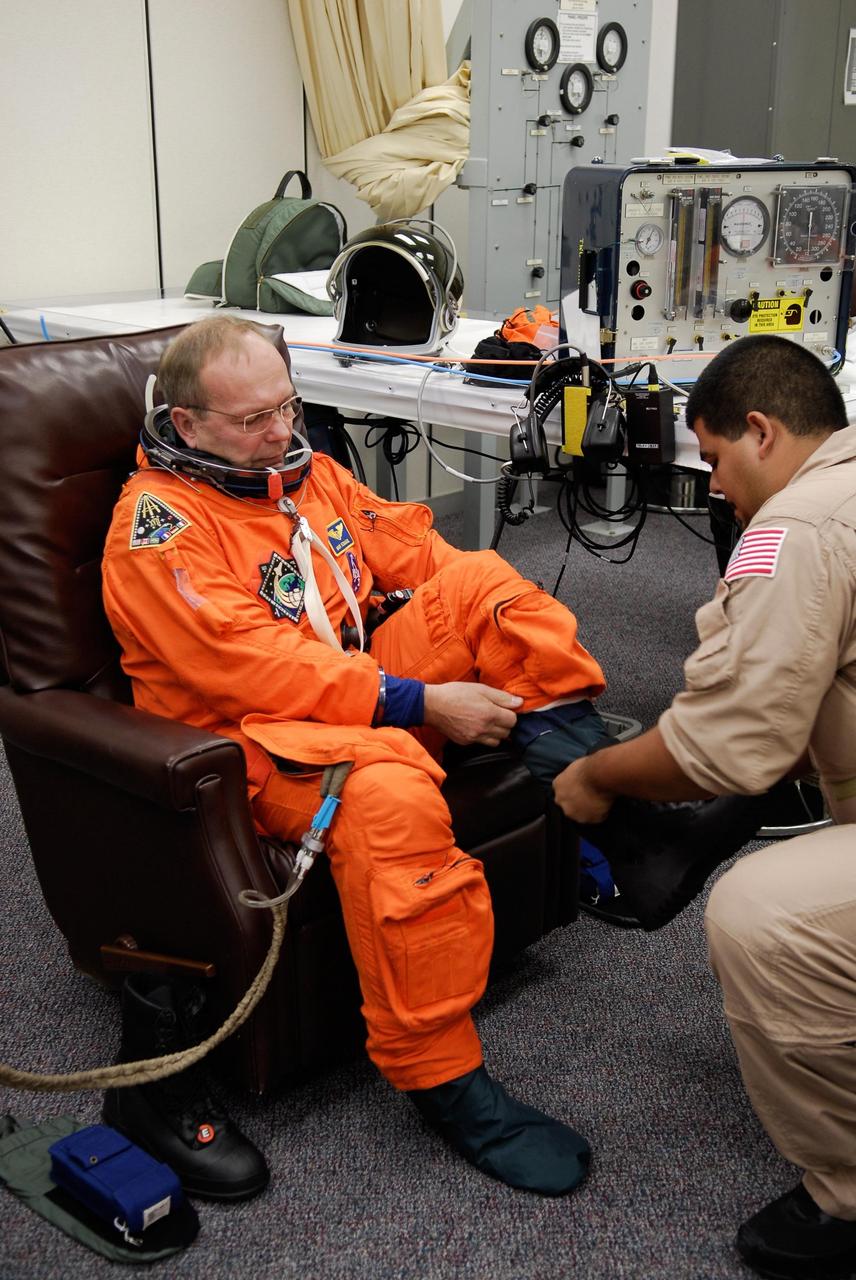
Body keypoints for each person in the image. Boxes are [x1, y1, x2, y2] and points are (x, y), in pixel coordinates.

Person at [101, 314, 617, 1199]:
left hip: (350, 683)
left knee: (484, 584)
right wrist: (419, 701)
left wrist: (466, 634)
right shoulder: (158, 530)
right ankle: (444, 1080)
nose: (281, 431)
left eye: (287, 406)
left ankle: (608, 799)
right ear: (186, 425)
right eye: (253, 419)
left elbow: (419, 553)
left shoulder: (306, 475)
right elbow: (246, 665)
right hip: (248, 738)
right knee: (389, 796)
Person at [553, 334, 856, 1280]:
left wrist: (599, 779)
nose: (716, 487)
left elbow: (731, 740)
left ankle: (849, 1198)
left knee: (764, 916)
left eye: (716, 459)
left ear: (760, 432)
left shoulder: (794, 530)